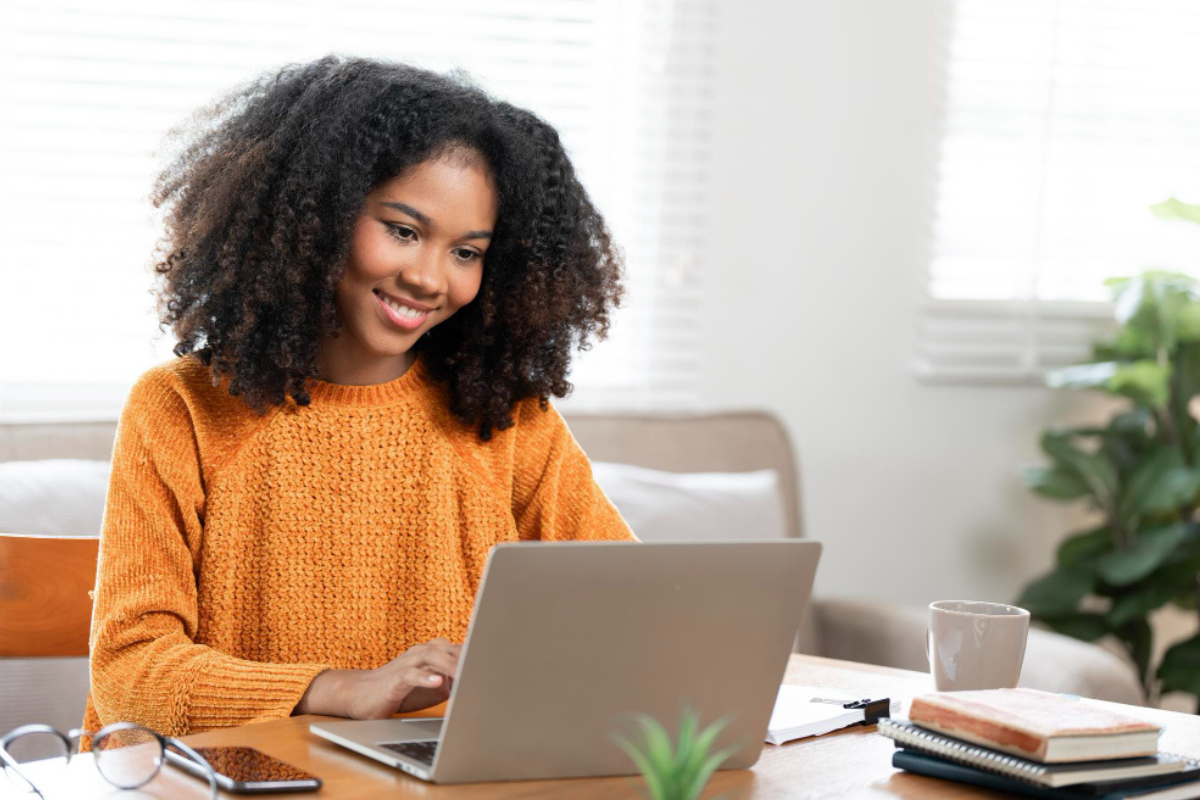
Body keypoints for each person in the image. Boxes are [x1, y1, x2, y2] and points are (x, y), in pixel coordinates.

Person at [83, 55, 638, 738]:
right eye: (403, 230)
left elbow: (632, 610)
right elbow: (129, 676)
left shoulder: (508, 420)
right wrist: (338, 690)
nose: (429, 277)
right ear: (315, 216)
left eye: (467, 252)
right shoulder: (181, 409)